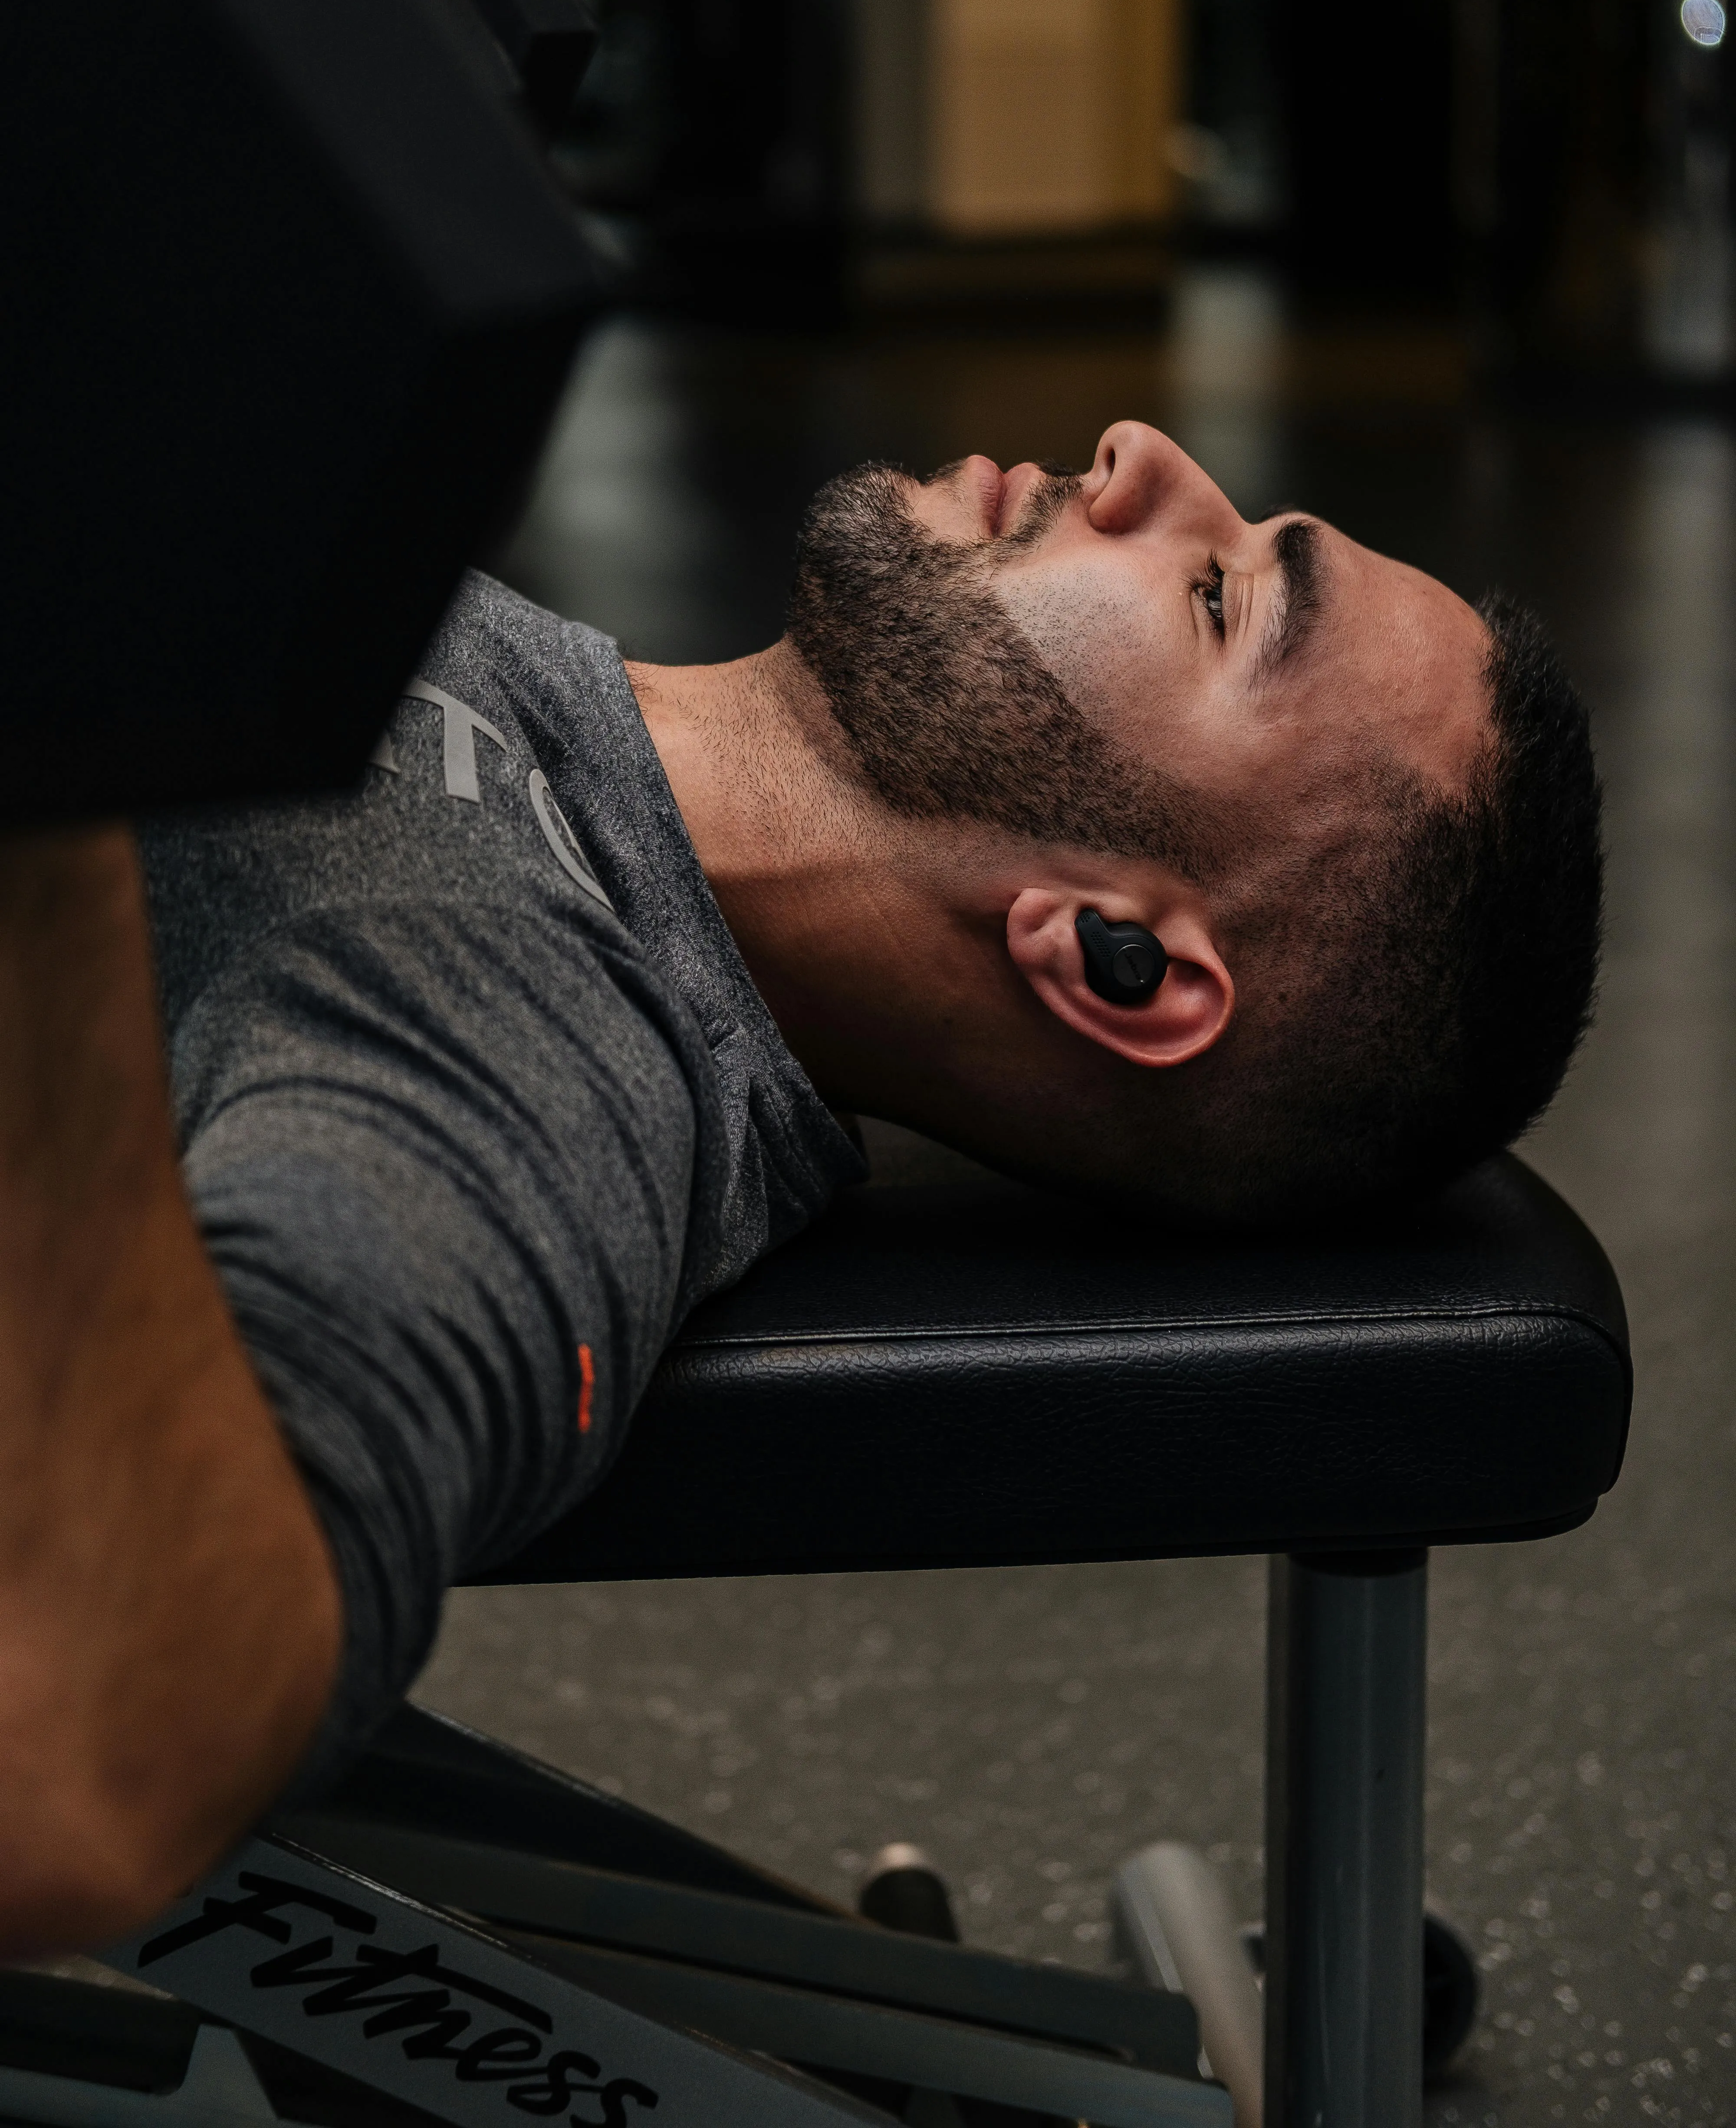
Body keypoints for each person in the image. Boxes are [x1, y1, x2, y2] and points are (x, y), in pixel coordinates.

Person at [0, 420, 1601, 1954]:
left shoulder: (532, 1048)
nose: (1141, 456)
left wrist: (61, 758)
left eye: (1217, 600)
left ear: (1117, 959)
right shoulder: (517, 686)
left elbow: (95, 1774)